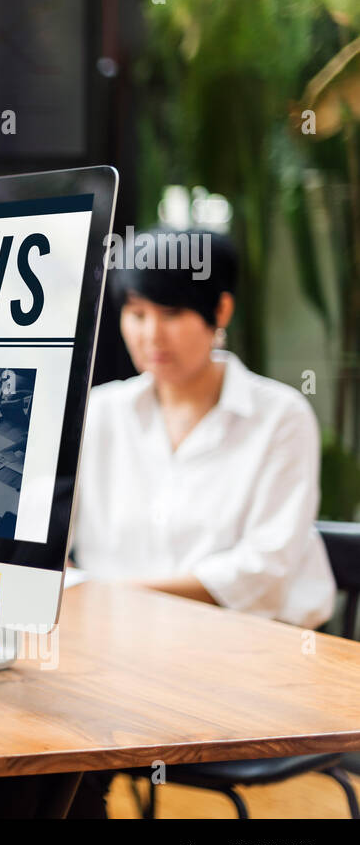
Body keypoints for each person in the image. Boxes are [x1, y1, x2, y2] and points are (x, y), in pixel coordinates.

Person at [73, 229, 336, 629]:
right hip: (113, 639)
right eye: (137, 313)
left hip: (250, 648)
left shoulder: (281, 417)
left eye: (172, 313)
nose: (151, 335)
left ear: (222, 311)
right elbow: (48, 535)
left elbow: (262, 572)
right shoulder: (99, 412)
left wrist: (112, 597)